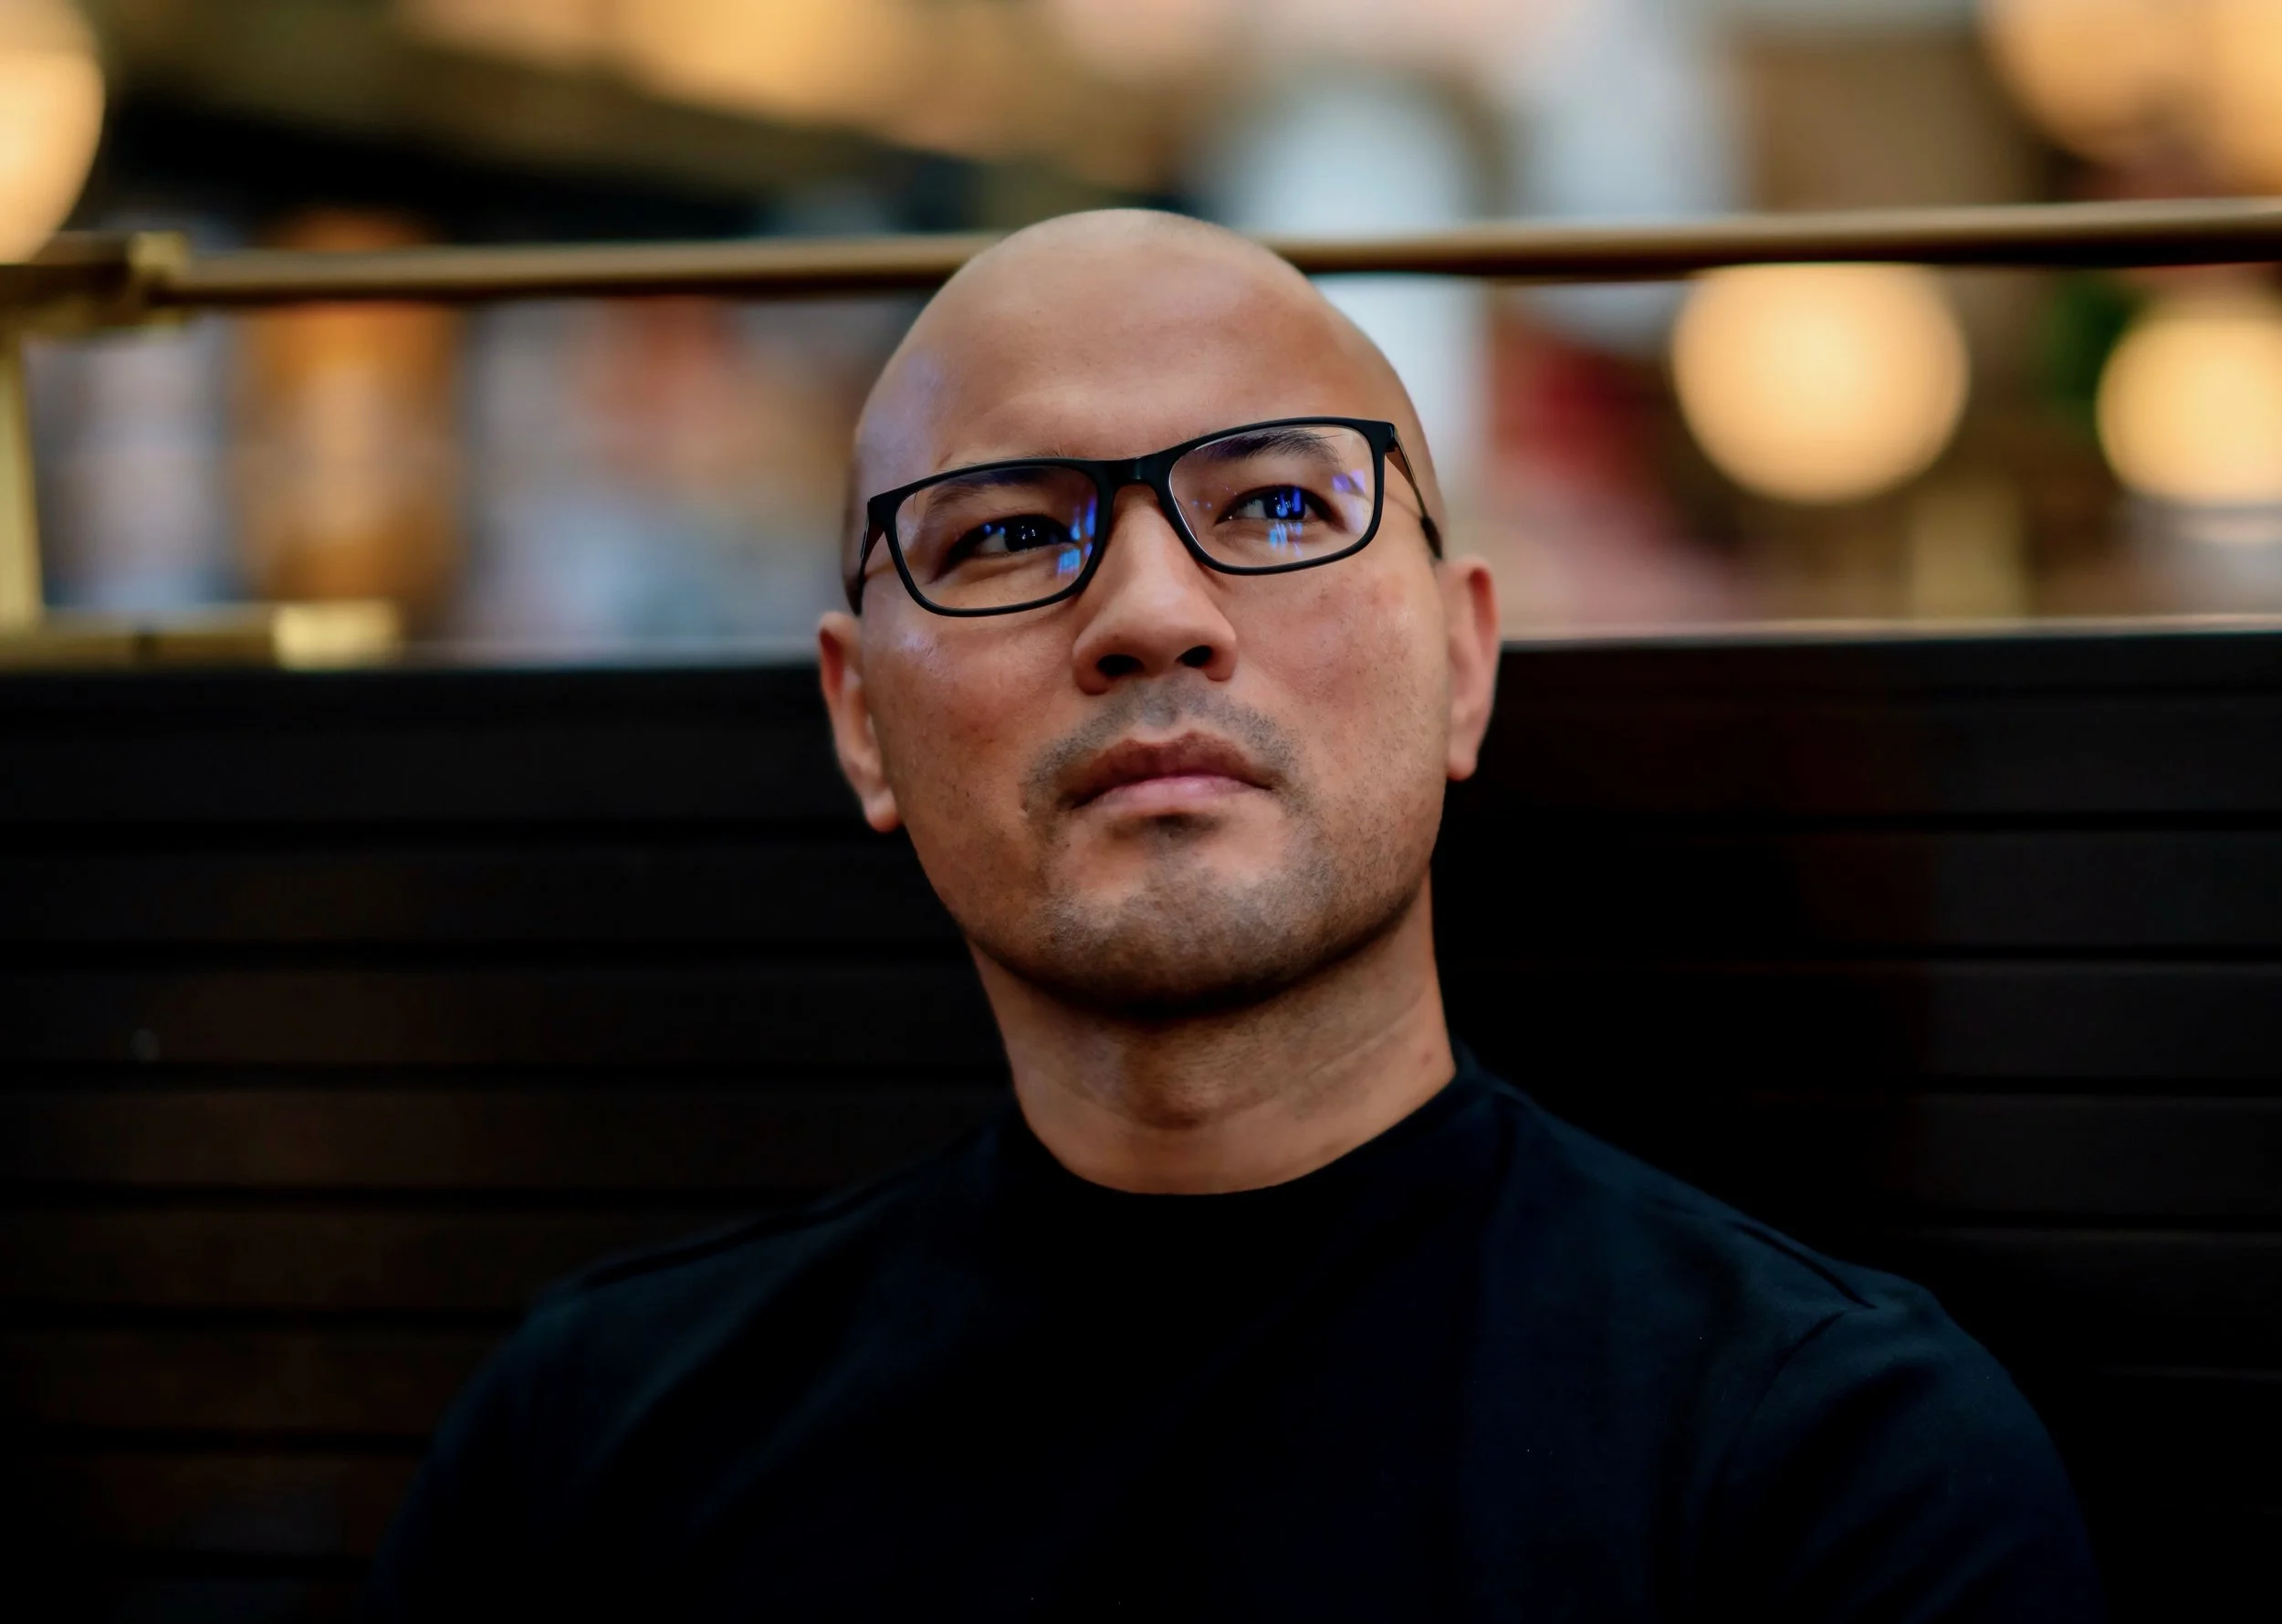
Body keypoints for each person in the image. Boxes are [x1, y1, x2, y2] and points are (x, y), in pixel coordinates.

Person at [362, 211, 2103, 1621]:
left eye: (1276, 505)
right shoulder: (588, 1453)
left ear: (1464, 662)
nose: (1151, 611)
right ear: (861, 720)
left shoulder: (1829, 1461)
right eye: (1005, 534)